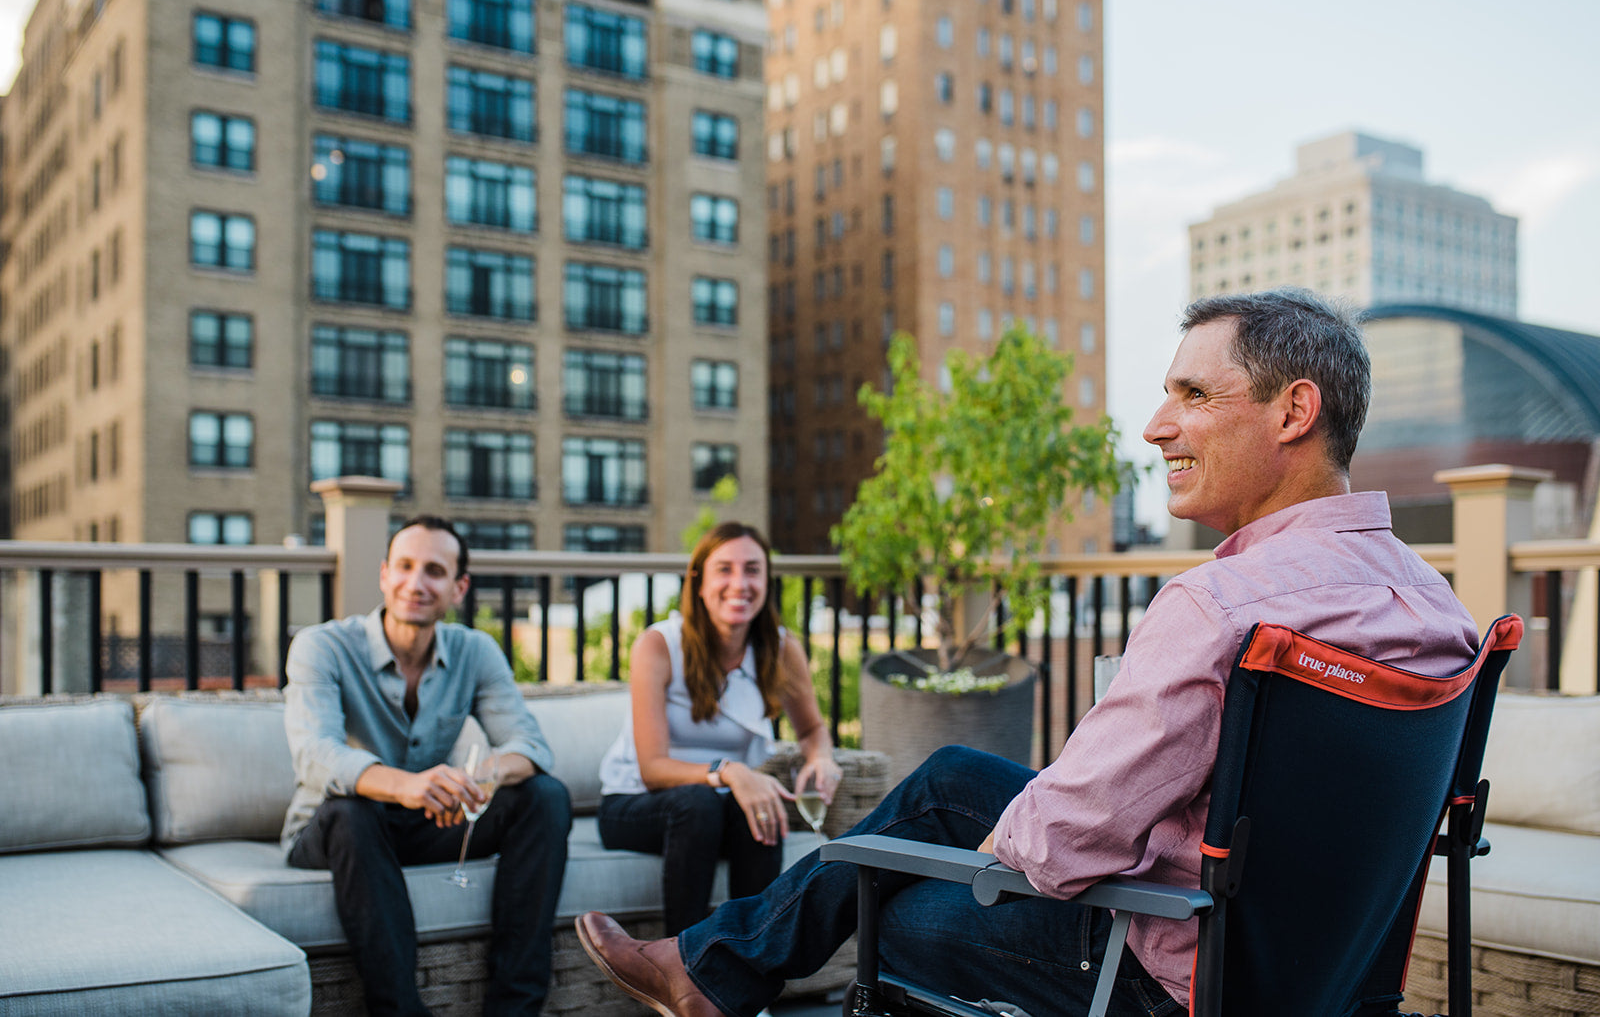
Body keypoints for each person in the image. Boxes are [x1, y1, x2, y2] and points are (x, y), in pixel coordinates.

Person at [574, 287, 1481, 1017]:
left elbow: (1061, 845)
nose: (1157, 426)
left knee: (884, 895)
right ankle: (708, 965)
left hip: (1159, 970)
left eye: (1193, 395)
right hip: (1328, 976)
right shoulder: (1442, 614)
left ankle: (715, 970)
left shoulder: (1220, 607)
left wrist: (1012, 833)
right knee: (949, 777)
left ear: (1295, 412)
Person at [283, 515, 572, 1016]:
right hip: (336, 831)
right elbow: (315, 755)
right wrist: (406, 786)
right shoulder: (322, 646)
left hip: (426, 821)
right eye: (405, 566)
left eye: (434, 571)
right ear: (383, 575)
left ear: (458, 587)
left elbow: (531, 746)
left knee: (545, 796)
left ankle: (515, 1008)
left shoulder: (474, 650)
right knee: (354, 811)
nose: (415, 584)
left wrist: (477, 778)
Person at [596, 521, 843, 935]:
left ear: (766, 579)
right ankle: (682, 973)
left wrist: (822, 758)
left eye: (752, 569)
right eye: (724, 569)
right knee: (700, 803)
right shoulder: (659, 645)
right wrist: (730, 771)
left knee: (761, 812)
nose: (739, 583)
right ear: (698, 581)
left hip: (719, 806)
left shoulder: (782, 650)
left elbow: (812, 728)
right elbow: (652, 768)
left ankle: (751, 984)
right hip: (634, 804)